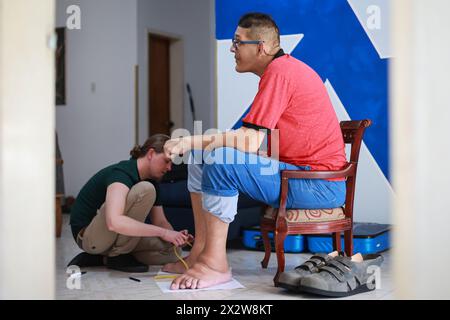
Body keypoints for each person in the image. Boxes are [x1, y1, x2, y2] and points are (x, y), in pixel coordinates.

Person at [163, 13, 349, 290]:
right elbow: (267, 140)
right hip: (300, 175)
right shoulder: (282, 71)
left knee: (218, 160)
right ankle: (200, 254)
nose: (232, 48)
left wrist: (188, 140)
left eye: (238, 42)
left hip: (318, 184)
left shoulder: (281, 72)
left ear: (260, 46)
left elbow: (248, 140)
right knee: (202, 157)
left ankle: (215, 265)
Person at [68, 134, 192, 273]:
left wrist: (174, 235)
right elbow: (113, 222)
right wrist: (163, 233)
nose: (169, 168)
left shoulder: (153, 181)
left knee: (171, 251)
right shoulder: (122, 173)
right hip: (90, 236)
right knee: (145, 189)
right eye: (166, 161)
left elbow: (160, 221)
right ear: (151, 153)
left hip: (113, 237)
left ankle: (103, 258)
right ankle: (118, 255)